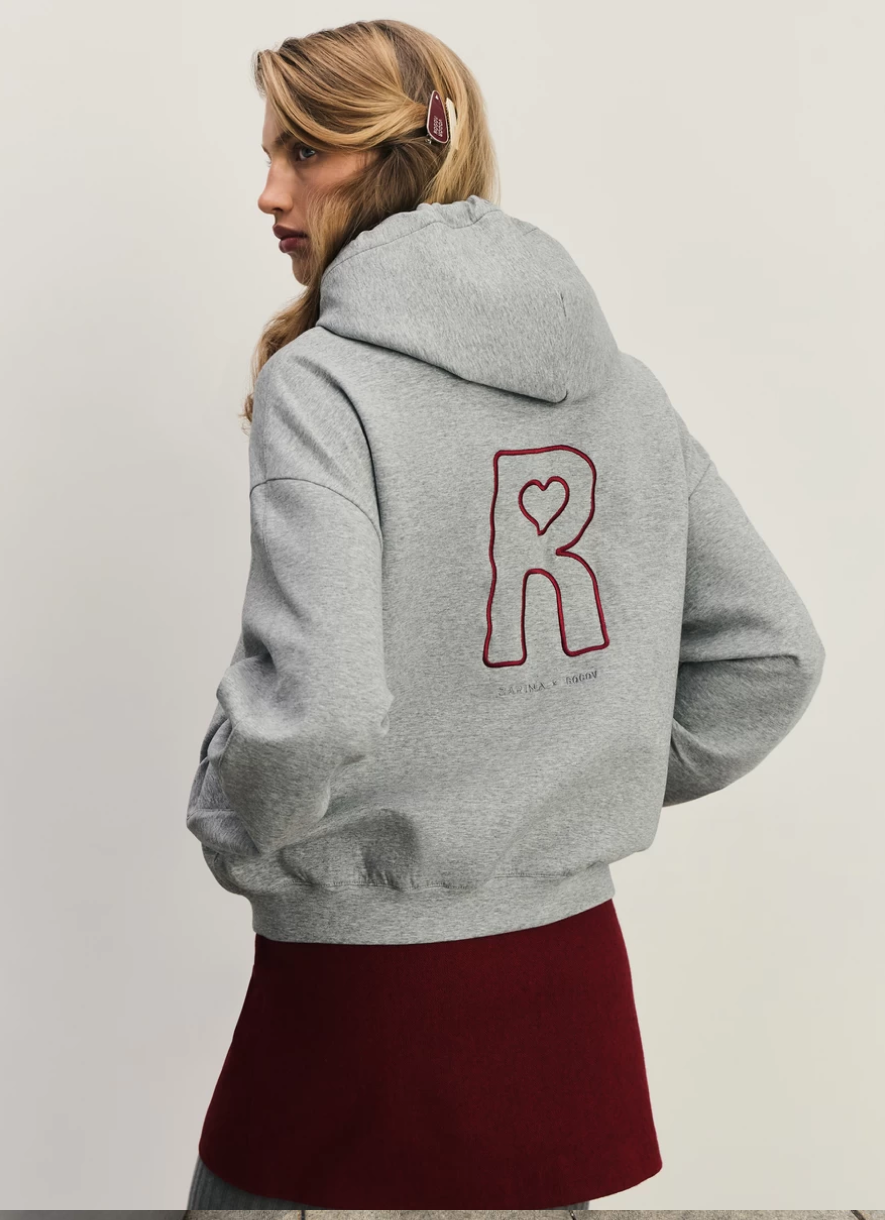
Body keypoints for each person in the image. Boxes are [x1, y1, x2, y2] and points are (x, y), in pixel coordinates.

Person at [183, 18, 825, 1213]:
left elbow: (318, 706)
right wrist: (565, 772)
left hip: (359, 992)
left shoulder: (323, 384)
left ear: (386, 159)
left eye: (302, 152)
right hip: (567, 984)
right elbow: (774, 652)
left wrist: (233, 823)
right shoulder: (625, 388)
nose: (269, 191)